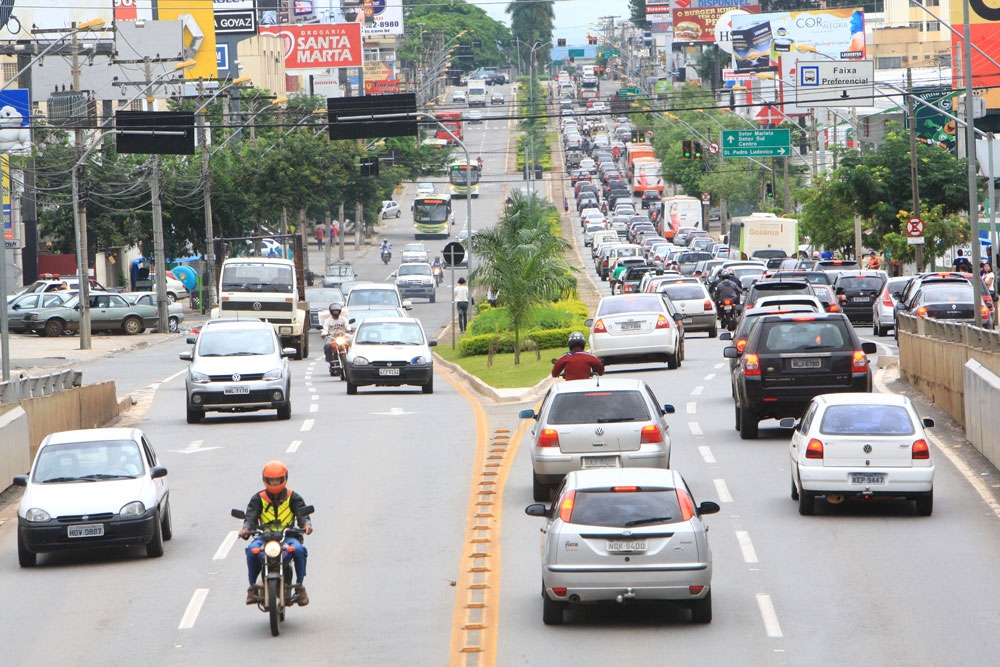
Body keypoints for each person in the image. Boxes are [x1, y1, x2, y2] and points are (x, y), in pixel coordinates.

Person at [240, 461, 313, 606]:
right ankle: (252, 587)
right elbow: (250, 517)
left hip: (288, 537)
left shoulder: (293, 497)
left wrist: (306, 525)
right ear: (265, 480)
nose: (274, 483)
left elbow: (303, 514)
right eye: (271, 480)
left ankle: (299, 586)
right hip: (264, 538)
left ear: (284, 479)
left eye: (277, 480)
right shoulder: (258, 498)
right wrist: (246, 529)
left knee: (299, 550)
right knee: (251, 550)